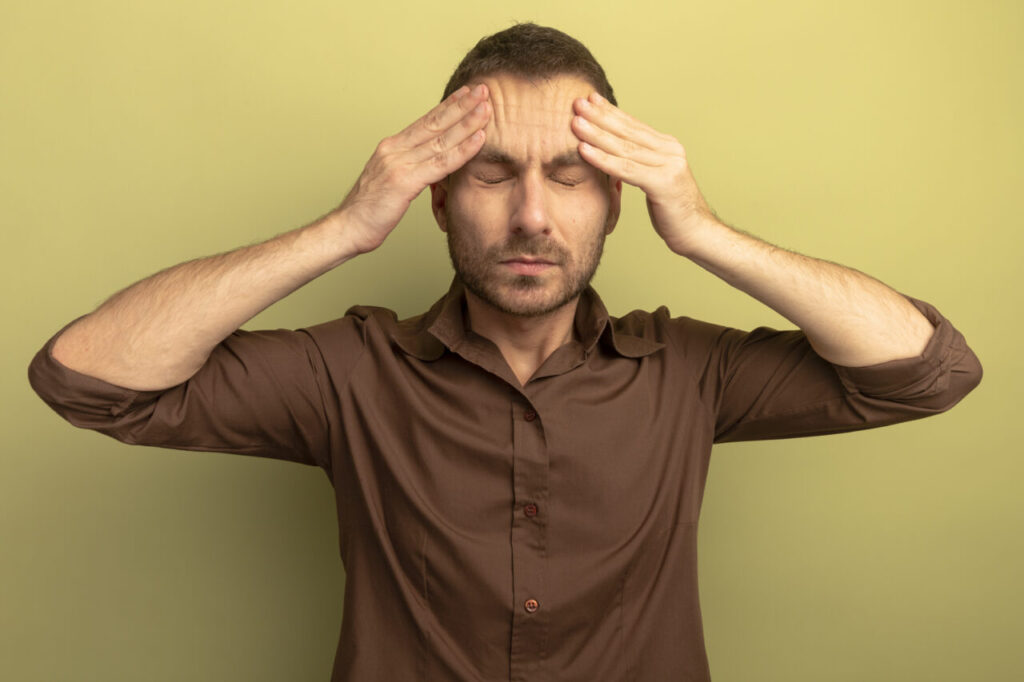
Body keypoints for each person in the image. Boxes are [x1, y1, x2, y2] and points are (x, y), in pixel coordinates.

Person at [28, 22, 981, 682]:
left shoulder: (692, 373)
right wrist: (347, 227)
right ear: (439, 198)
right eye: (492, 174)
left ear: (614, 203)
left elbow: (926, 372)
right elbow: (88, 380)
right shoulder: (348, 374)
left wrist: (705, 232)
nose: (531, 215)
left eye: (570, 178)